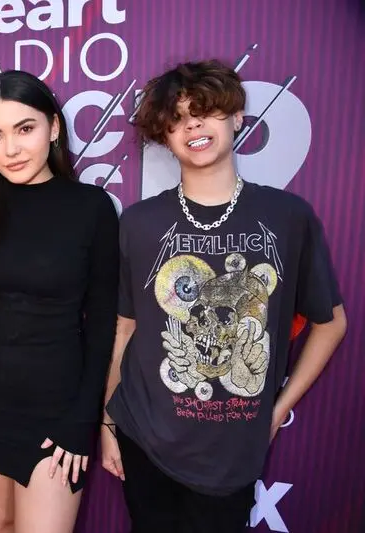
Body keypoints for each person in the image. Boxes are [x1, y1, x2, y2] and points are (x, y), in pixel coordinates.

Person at [100, 60, 348, 533]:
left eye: (207, 110)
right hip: (143, 433)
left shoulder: (287, 216)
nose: (193, 124)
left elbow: (330, 322)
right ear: (165, 137)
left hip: (233, 448)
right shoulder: (139, 222)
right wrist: (109, 424)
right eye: (177, 119)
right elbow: (126, 328)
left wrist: (276, 411)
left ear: (237, 118)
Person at [0, 70, 120, 533]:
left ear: (54, 127)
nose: (11, 149)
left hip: (57, 412)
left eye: (25, 129)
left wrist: (84, 418)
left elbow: (103, 322)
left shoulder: (92, 208)